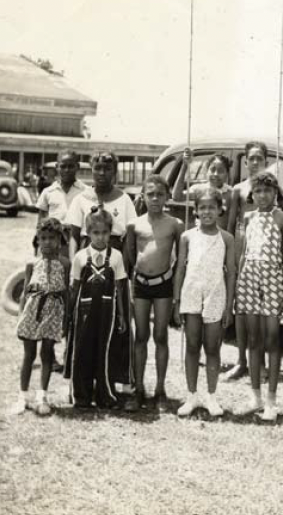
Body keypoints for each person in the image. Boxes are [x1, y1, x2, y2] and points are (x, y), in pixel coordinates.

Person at [65, 151, 137, 390]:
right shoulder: (81, 199)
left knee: (117, 319)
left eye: (107, 169)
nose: (102, 173)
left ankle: (115, 381)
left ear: (114, 172)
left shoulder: (124, 199)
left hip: (114, 261)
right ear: (91, 170)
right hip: (87, 260)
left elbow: (128, 238)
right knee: (87, 322)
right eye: (98, 169)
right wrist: (76, 263)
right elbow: (74, 236)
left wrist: (123, 269)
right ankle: (84, 381)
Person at [225, 141, 283, 381]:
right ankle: (242, 361)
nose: (254, 163)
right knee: (242, 312)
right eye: (250, 158)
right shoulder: (239, 189)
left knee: (264, 314)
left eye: (259, 159)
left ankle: (261, 363)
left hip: (267, 254)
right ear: (245, 161)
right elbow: (232, 224)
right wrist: (231, 256)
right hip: (244, 252)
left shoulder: (272, 188)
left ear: (266, 161)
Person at [173, 189, 236, 417]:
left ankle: (211, 396)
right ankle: (191, 396)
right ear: (196, 210)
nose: (207, 211)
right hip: (191, 294)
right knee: (192, 345)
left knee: (212, 347)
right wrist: (176, 300)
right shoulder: (187, 237)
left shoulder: (227, 239)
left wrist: (229, 306)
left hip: (215, 295)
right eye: (202, 207)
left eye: (212, 207)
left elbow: (230, 273)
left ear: (220, 209)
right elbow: (180, 268)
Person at [124, 175, 184, 412]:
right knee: (141, 336)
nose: (155, 199)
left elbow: (180, 258)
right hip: (140, 285)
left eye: (160, 194)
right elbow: (130, 256)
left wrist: (176, 288)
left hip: (163, 286)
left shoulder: (175, 225)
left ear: (167, 196)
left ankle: (160, 390)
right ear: (143, 197)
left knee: (160, 336)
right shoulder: (134, 224)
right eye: (150, 194)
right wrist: (132, 280)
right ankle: (139, 389)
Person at [235, 171, 283, 422]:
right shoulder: (248, 218)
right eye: (257, 191)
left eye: (267, 190)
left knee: (272, 338)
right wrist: (239, 283)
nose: (262, 195)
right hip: (248, 280)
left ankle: (271, 400)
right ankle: (255, 396)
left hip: (273, 281)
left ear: (275, 193)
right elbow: (244, 253)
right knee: (253, 339)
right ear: (252, 194)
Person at [66, 208, 127, 409]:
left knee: (105, 351)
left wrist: (121, 316)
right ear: (88, 233)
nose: (101, 237)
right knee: (82, 350)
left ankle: (105, 395)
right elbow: (74, 288)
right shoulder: (80, 257)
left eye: (105, 233)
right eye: (96, 233)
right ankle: (81, 396)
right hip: (84, 312)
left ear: (111, 232)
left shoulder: (116, 257)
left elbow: (119, 288)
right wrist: (69, 314)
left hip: (107, 312)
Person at [11, 218, 69, 416]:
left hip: (53, 313)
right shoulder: (32, 263)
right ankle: (22, 396)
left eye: (51, 238)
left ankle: (42, 395)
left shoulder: (64, 264)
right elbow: (24, 293)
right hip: (32, 311)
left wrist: (66, 319)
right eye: (42, 238)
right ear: (37, 240)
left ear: (59, 240)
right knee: (29, 355)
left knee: (47, 354)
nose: (47, 242)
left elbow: (66, 293)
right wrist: (20, 316)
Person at [36, 150, 86, 373]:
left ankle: (70, 352)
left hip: (75, 247)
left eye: (70, 166)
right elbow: (40, 226)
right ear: (56, 167)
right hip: (53, 250)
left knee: (72, 299)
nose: (66, 170)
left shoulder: (86, 192)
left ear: (77, 167)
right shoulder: (48, 192)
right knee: (51, 301)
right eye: (62, 166)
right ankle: (51, 355)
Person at [172, 151, 233, 231]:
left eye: (221, 171)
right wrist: (185, 165)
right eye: (212, 170)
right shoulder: (199, 189)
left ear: (227, 174)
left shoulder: (230, 193)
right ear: (206, 171)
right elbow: (177, 196)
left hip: (221, 239)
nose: (216, 174)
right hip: (200, 236)